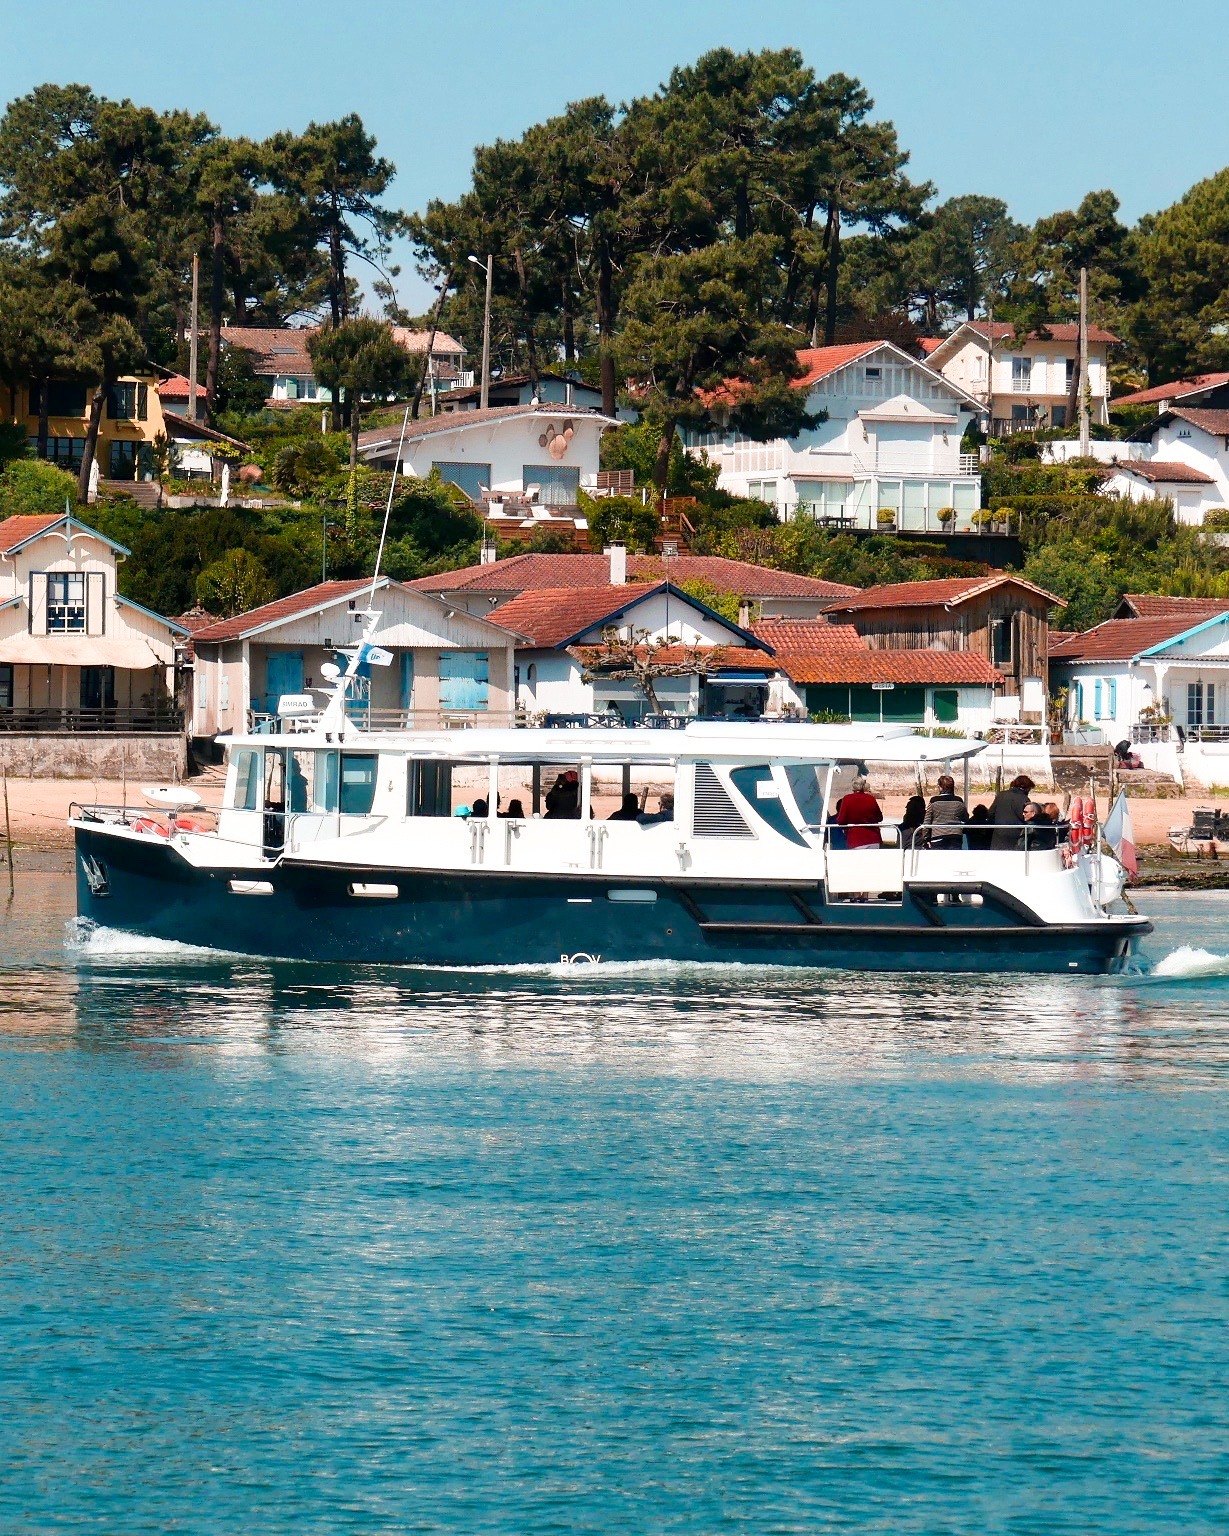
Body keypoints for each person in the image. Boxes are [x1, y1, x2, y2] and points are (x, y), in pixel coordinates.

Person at [921, 773, 969, 850]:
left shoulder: (934, 801)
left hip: (937, 836)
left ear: (940, 787)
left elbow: (927, 822)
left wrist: (926, 838)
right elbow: (965, 818)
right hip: (955, 836)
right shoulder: (959, 801)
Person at [989, 774, 1035, 851]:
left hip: (999, 835)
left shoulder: (1001, 795)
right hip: (1016, 837)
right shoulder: (1024, 799)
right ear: (1027, 788)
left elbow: (990, 813)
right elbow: (1027, 817)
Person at [837, 776, 882, 849]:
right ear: (863, 786)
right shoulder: (871, 798)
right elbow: (879, 817)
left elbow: (841, 820)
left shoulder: (847, 799)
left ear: (852, 786)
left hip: (856, 838)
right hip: (873, 838)